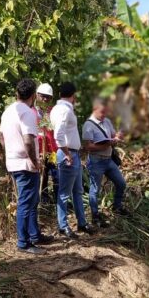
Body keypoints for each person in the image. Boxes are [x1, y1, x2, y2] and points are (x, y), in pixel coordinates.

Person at [0, 78, 53, 254]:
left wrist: (11, 151)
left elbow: (0, 137)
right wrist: (34, 161)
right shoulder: (27, 112)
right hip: (25, 164)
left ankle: (34, 235)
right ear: (33, 95)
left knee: (31, 200)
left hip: (14, 161)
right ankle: (24, 242)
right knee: (26, 203)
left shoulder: (8, 111)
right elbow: (29, 141)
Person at [50, 82, 94, 238]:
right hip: (68, 154)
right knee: (64, 192)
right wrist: (67, 153)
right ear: (73, 95)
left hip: (72, 153)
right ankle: (63, 226)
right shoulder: (63, 110)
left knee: (77, 191)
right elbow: (58, 134)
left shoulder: (59, 108)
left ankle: (82, 223)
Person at [82, 97, 127, 227]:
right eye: (102, 112)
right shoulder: (88, 125)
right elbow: (88, 147)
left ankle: (117, 207)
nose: (104, 115)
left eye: (105, 112)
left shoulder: (106, 121)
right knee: (95, 190)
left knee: (121, 183)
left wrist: (117, 136)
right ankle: (95, 216)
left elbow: (113, 135)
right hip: (96, 161)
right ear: (94, 110)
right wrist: (105, 146)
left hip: (108, 160)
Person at [34, 82, 59, 204]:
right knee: (41, 176)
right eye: (42, 96)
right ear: (37, 95)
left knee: (56, 175)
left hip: (52, 151)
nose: (45, 99)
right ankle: (43, 199)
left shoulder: (53, 112)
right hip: (39, 150)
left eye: (48, 97)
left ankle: (57, 201)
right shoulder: (32, 111)